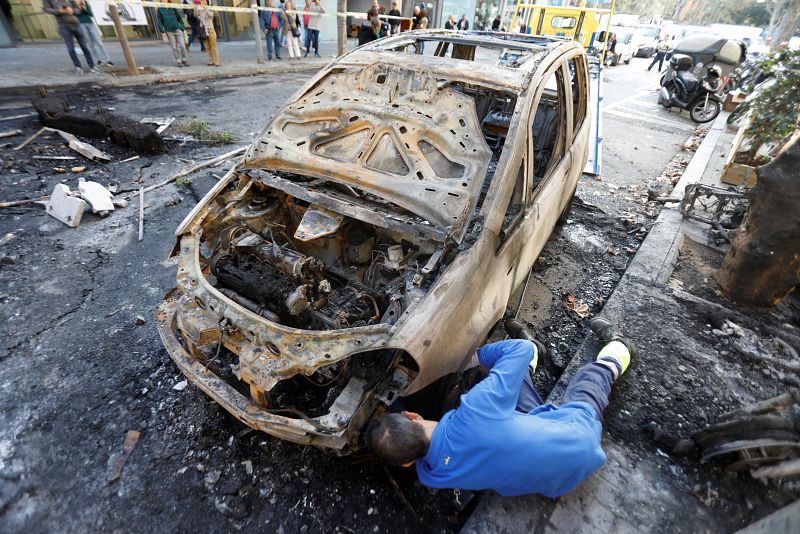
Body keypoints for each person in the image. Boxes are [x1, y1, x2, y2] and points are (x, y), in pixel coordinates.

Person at [366, 317, 636, 498]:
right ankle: (619, 348)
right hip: (581, 443)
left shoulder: (432, 476)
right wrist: (476, 357)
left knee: (508, 393)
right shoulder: (476, 411)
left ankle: (535, 355)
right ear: (412, 416)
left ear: (408, 463)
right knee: (587, 385)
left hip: (554, 485)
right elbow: (514, 350)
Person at [42, 0, 97, 74]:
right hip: (63, 26)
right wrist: (59, 11)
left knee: (84, 46)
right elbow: (47, 9)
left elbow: (78, 10)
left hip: (76, 24)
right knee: (70, 48)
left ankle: (92, 65)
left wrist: (72, 11)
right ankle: (78, 67)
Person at [75, 0, 112, 66]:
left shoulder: (84, 2)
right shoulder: (72, 4)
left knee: (99, 43)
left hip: (90, 23)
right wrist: (79, 9)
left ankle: (108, 60)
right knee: (90, 44)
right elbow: (74, 15)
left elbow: (91, 14)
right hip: (81, 25)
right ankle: (98, 60)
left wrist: (85, 9)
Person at [157, 0, 188, 67]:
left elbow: (179, 18)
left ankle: (184, 58)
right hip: (169, 30)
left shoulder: (173, 7)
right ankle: (178, 60)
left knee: (182, 45)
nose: (164, 0)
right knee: (174, 47)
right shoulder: (159, 9)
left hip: (177, 29)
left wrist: (181, 27)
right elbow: (160, 21)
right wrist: (162, 31)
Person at [196, 0, 219, 65]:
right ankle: (211, 61)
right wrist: (195, 8)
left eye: (204, 0)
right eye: (201, 0)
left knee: (213, 47)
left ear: (207, 1)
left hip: (210, 29)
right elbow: (195, 15)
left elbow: (211, 15)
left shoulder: (210, 8)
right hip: (203, 31)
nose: (203, 1)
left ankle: (217, 61)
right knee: (208, 48)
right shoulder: (199, 9)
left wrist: (205, 8)